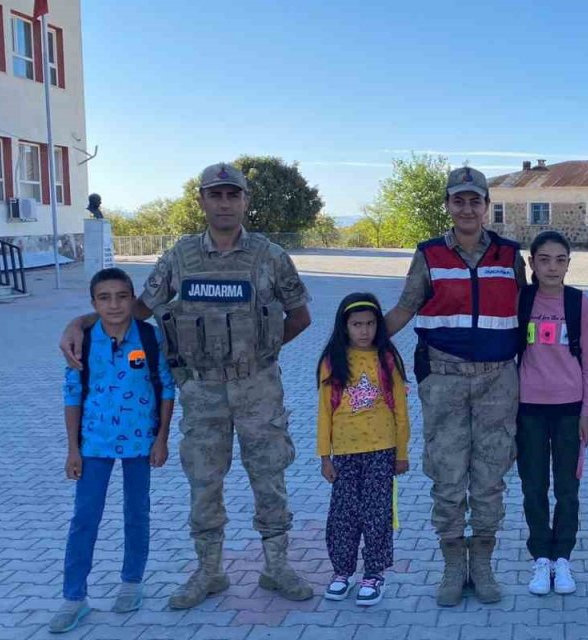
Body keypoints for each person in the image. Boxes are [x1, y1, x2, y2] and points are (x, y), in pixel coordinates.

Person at [58, 162, 314, 609]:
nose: (224, 203)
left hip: (258, 390)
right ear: (201, 201)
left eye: (233, 195)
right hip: (202, 392)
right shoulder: (179, 257)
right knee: (203, 481)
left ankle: (277, 567)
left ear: (245, 202)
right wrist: (81, 322)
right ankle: (209, 572)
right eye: (215, 195)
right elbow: (137, 309)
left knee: (269, 476)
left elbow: (300, 315)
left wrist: (260, 352)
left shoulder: (270, 256)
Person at [383, 166, 526, 607]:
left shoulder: (508, 255)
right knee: (447, 476)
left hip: (498, 381)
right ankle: (451, 565)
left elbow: (533, 307)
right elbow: (406, 308)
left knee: (489, 477)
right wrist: (355, 344)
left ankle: (481, 564)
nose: (467, 208)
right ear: (447, 205)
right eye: (458, 200)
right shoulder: (428, 255)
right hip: (442, 380)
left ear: (486, 206)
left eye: (474, 200)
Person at [50, 269, 176, 634]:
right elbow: (72, 394)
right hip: (94, 444)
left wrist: (162, 438)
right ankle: (74, 598)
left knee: (137, 512)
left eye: (122, 296)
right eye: (104, 298)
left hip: (141, 443)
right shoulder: (83, 342)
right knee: (84, 518)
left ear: (133, 299)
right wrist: (72, 449)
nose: (114, 304)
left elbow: (166, 388)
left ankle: (132, 582)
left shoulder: (150, 339)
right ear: (93, 304)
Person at [515, 231, 588, 597]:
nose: (552, 267)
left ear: (568, 263)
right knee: (534, 486)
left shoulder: (580, 304)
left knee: (568, 489)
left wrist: (587, 413)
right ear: (532, 263)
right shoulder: (521, 300)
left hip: (569, 411)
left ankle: (563, 557)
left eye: (560, 259)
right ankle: (541, 559)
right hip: (529, 409)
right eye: (544, 259)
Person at [317, 293, 410, 606]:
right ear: (345, 326)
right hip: (344, 452)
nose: (364, 331)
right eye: (357, 324)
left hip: (382, 450)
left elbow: (400, 409)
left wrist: (401, 452)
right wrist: (324, 456)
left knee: (376, 514)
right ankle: (342, 572)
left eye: (370, 324)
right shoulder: (333, 360)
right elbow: (323, 412)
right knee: (343, 515)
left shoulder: (387, 359)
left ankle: (373, 574)